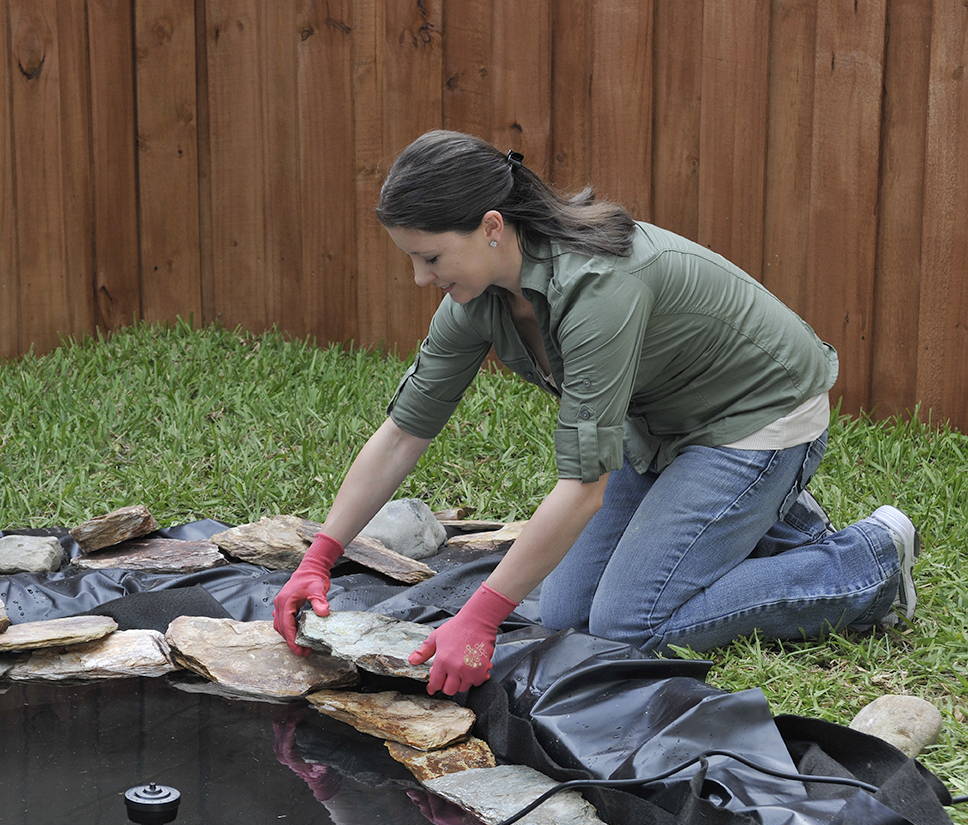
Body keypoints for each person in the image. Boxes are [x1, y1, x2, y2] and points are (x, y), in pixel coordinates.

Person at [272, 129, 918, 697]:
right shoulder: (481, 299)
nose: (419, 279)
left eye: (431, 258)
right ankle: (768, 525)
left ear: (492, 228)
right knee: (562, 616)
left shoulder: (598, 288)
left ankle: (867, 563)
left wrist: (480, 616)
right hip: (658, 432)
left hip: (758, 420)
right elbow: (402, 434)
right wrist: (319, 557)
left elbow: (583, 488)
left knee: (627, 627)